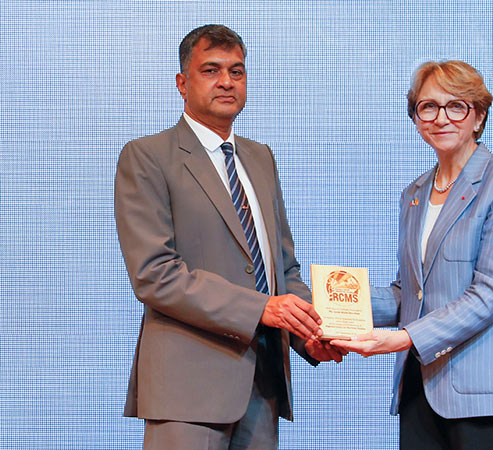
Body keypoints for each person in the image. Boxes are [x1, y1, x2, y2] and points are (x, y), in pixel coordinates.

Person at [114, 24, 343, 449]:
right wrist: (263, 308)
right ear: (182, 83)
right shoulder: (146, 156)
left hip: (263, 384)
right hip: (187, 391)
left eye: (237, 72)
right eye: (211, 70)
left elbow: (282, 268)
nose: (226, 82)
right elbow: (154, 274)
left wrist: (312, 333)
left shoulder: (260, 157)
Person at [331, 60, 493, 450]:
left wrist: (403, 338)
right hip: (420, 392)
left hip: (486, 397)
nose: (441, 118)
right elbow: (410, 291)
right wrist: (327, 305)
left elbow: (489, 296)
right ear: (416, 118)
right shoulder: (415, 193)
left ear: (478, 116)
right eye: (428, 107)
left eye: (456, 106)